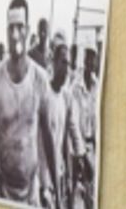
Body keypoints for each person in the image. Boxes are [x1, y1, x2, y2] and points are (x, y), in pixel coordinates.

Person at [0, 0, 57, 203]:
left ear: (28, 29)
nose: (15, 34)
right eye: (11, 27)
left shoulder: (40, 79)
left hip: (30, 192)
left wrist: (56, 193)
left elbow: (48, 138)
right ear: (6, 31)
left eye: (20, 27)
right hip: (1, 190)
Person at [42, 32, 83, 208]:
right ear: (54, 62)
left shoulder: (66, 97)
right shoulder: (44, 94)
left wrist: (67, 175)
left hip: (58, 174)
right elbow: (46, 141)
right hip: (42, 177)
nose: (66, 69)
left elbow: (65, 139)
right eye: (63, 62)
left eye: (68, 63)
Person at [70, 47, 99, 207]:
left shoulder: (96, 86)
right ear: (84, 61)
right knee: (73, 187)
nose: (91, 63)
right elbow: (73, 121)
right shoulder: (76, 86)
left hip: (90, 145)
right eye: (88, 58)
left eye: (93, 59)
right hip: (76, 146)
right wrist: (81, 154)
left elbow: (96, 119)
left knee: (90, 191)